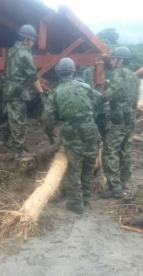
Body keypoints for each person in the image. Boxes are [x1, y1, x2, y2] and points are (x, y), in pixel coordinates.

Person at [43, 58, 99, 214]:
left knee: (74, 167)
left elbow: (48, 118)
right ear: (73, 72)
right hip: (91, 129)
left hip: (73, 131)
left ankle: (76, 202)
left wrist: (49, 131)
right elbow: (96, 107)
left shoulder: (55, 92)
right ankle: (86, 197)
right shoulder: (86, 87)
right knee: (89, 165)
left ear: (58, 73)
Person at [0, 25, 46, 158]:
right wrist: (41, 93)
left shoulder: (12, 50)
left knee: (9, 117)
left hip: (6, 88)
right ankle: (19, 152)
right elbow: (33, 76)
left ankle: (1, 143)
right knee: (19, 120)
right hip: (16, 91)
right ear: (27, 39)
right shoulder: (25, 53)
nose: (33, 43)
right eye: (33, 40)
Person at [99, 46, 140, 199]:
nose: (111, 61)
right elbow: (136, 100)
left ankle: (115, 187)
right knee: (125, 151)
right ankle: (122, 182)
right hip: (131, 117)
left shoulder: (117, 73)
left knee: (110, 152)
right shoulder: (135, 77)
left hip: (117, 117)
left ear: (121, 60)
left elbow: (112, 93)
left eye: (113, 58)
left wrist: (99, 98)